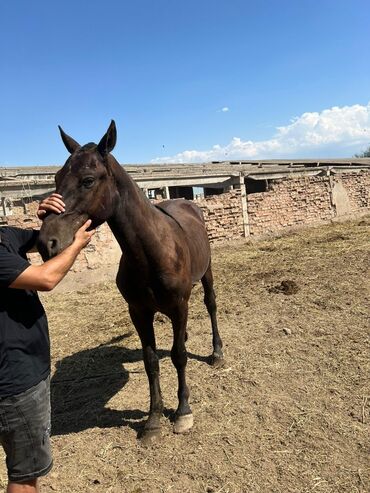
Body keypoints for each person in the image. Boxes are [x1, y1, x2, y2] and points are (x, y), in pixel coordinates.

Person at [0, 193, 95, 493]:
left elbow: (36, 240)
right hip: (16, 382)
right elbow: (46, 278)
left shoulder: (3, 235)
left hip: (19, 373)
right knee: (24, 476)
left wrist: (47, 219)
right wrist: (78, 245)